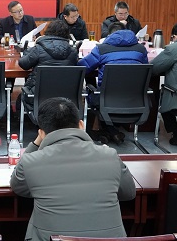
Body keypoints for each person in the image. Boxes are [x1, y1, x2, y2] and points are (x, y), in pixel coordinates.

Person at [10, 97, 136, 240]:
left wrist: (35, 144)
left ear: (42, 133)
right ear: (81, 124)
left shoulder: (31, 161)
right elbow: (129, 193)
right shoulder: (110, 155)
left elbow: (18, 186)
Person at [78, 22, 148, 144]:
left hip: (106, 100)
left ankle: (106, 131)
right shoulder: (141, 49)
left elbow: (82, 67)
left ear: (109, 35)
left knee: (92, 91)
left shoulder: (102, 49)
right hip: (135, 100)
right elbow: (145, 69)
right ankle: (112, 131)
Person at [18, 20, 79, 110]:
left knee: (20, 98)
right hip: (65, 97)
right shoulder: (73, 51)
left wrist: (28, 50)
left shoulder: (39, 48)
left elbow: (24, 64)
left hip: (38, 96)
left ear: (48, 31)